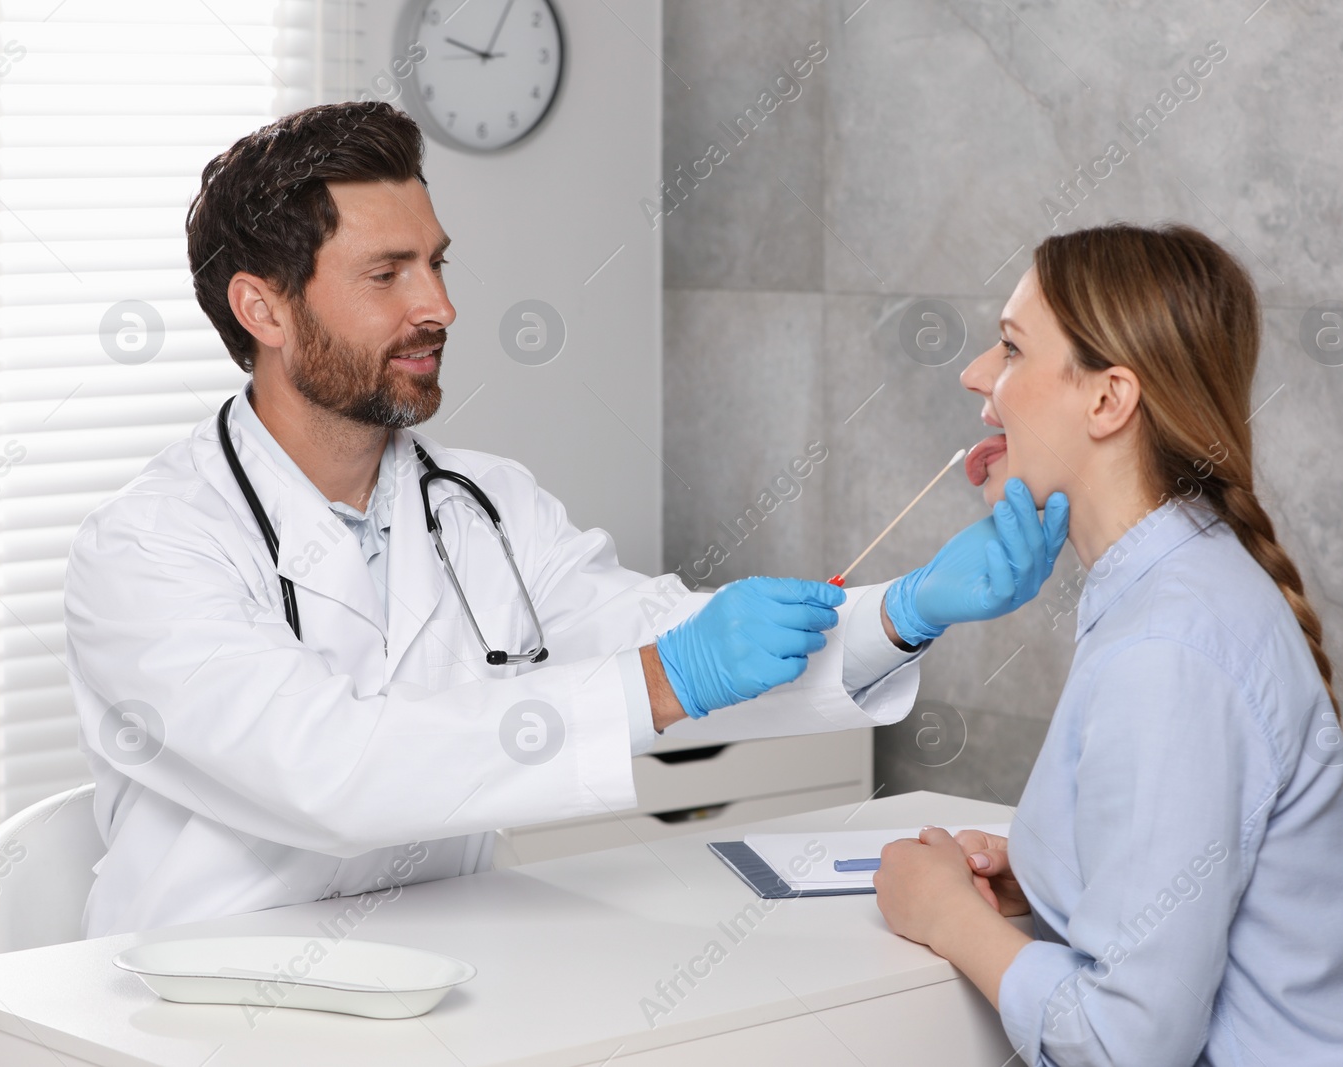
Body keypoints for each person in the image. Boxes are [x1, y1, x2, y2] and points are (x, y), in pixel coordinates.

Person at [62, 101, 1069, 938]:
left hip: (447, 971)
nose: (440, 306)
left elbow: (654, 634)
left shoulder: (483, 504)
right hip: (200, 1002)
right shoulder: (148, 549)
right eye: (387, 275)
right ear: (263, 309)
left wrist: (904, 611)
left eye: (438, 263)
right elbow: (332, 771)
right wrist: (667, 677)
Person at [871, 223, 1343, 1065]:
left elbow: (1127, 1045)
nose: (974, 376)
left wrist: (951, 921)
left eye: (1007, 349)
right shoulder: (1175, 584)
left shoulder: (1170, 649)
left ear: (1108, 399)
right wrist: (1048, 879)